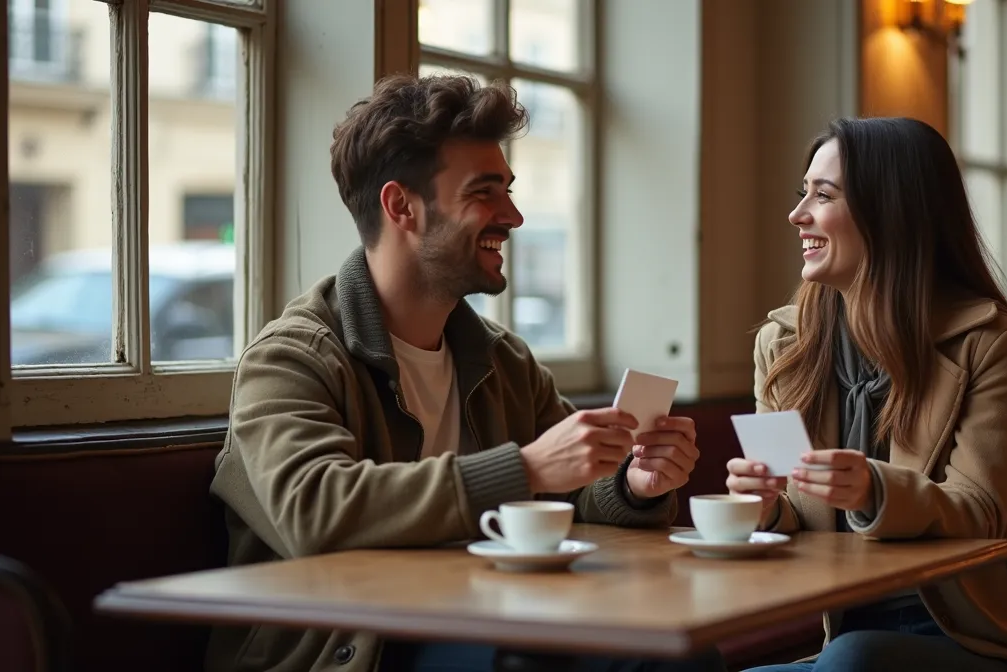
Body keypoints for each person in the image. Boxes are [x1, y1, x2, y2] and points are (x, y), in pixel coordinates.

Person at [206, 74, 717, 672]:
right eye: (484, 193)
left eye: (509, 191)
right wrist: (525, 468)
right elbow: (313, 511)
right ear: (401, 206)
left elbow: (576, 491)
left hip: (488, 618)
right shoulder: (289, 358)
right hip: (359, 651)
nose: (514, 216)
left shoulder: (503, 361)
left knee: (677, 652)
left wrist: (632, 484)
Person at [727, 117, 1007, 672]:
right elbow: (795, 509)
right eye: (803, 193)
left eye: (824, 195)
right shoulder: (782, 345)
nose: (797, 214)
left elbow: (979, 511)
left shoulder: (989, 342)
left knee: (854, 660)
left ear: (889, 212)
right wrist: (764, 507)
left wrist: (874, 489)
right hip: (848, 633)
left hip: (974, 637)